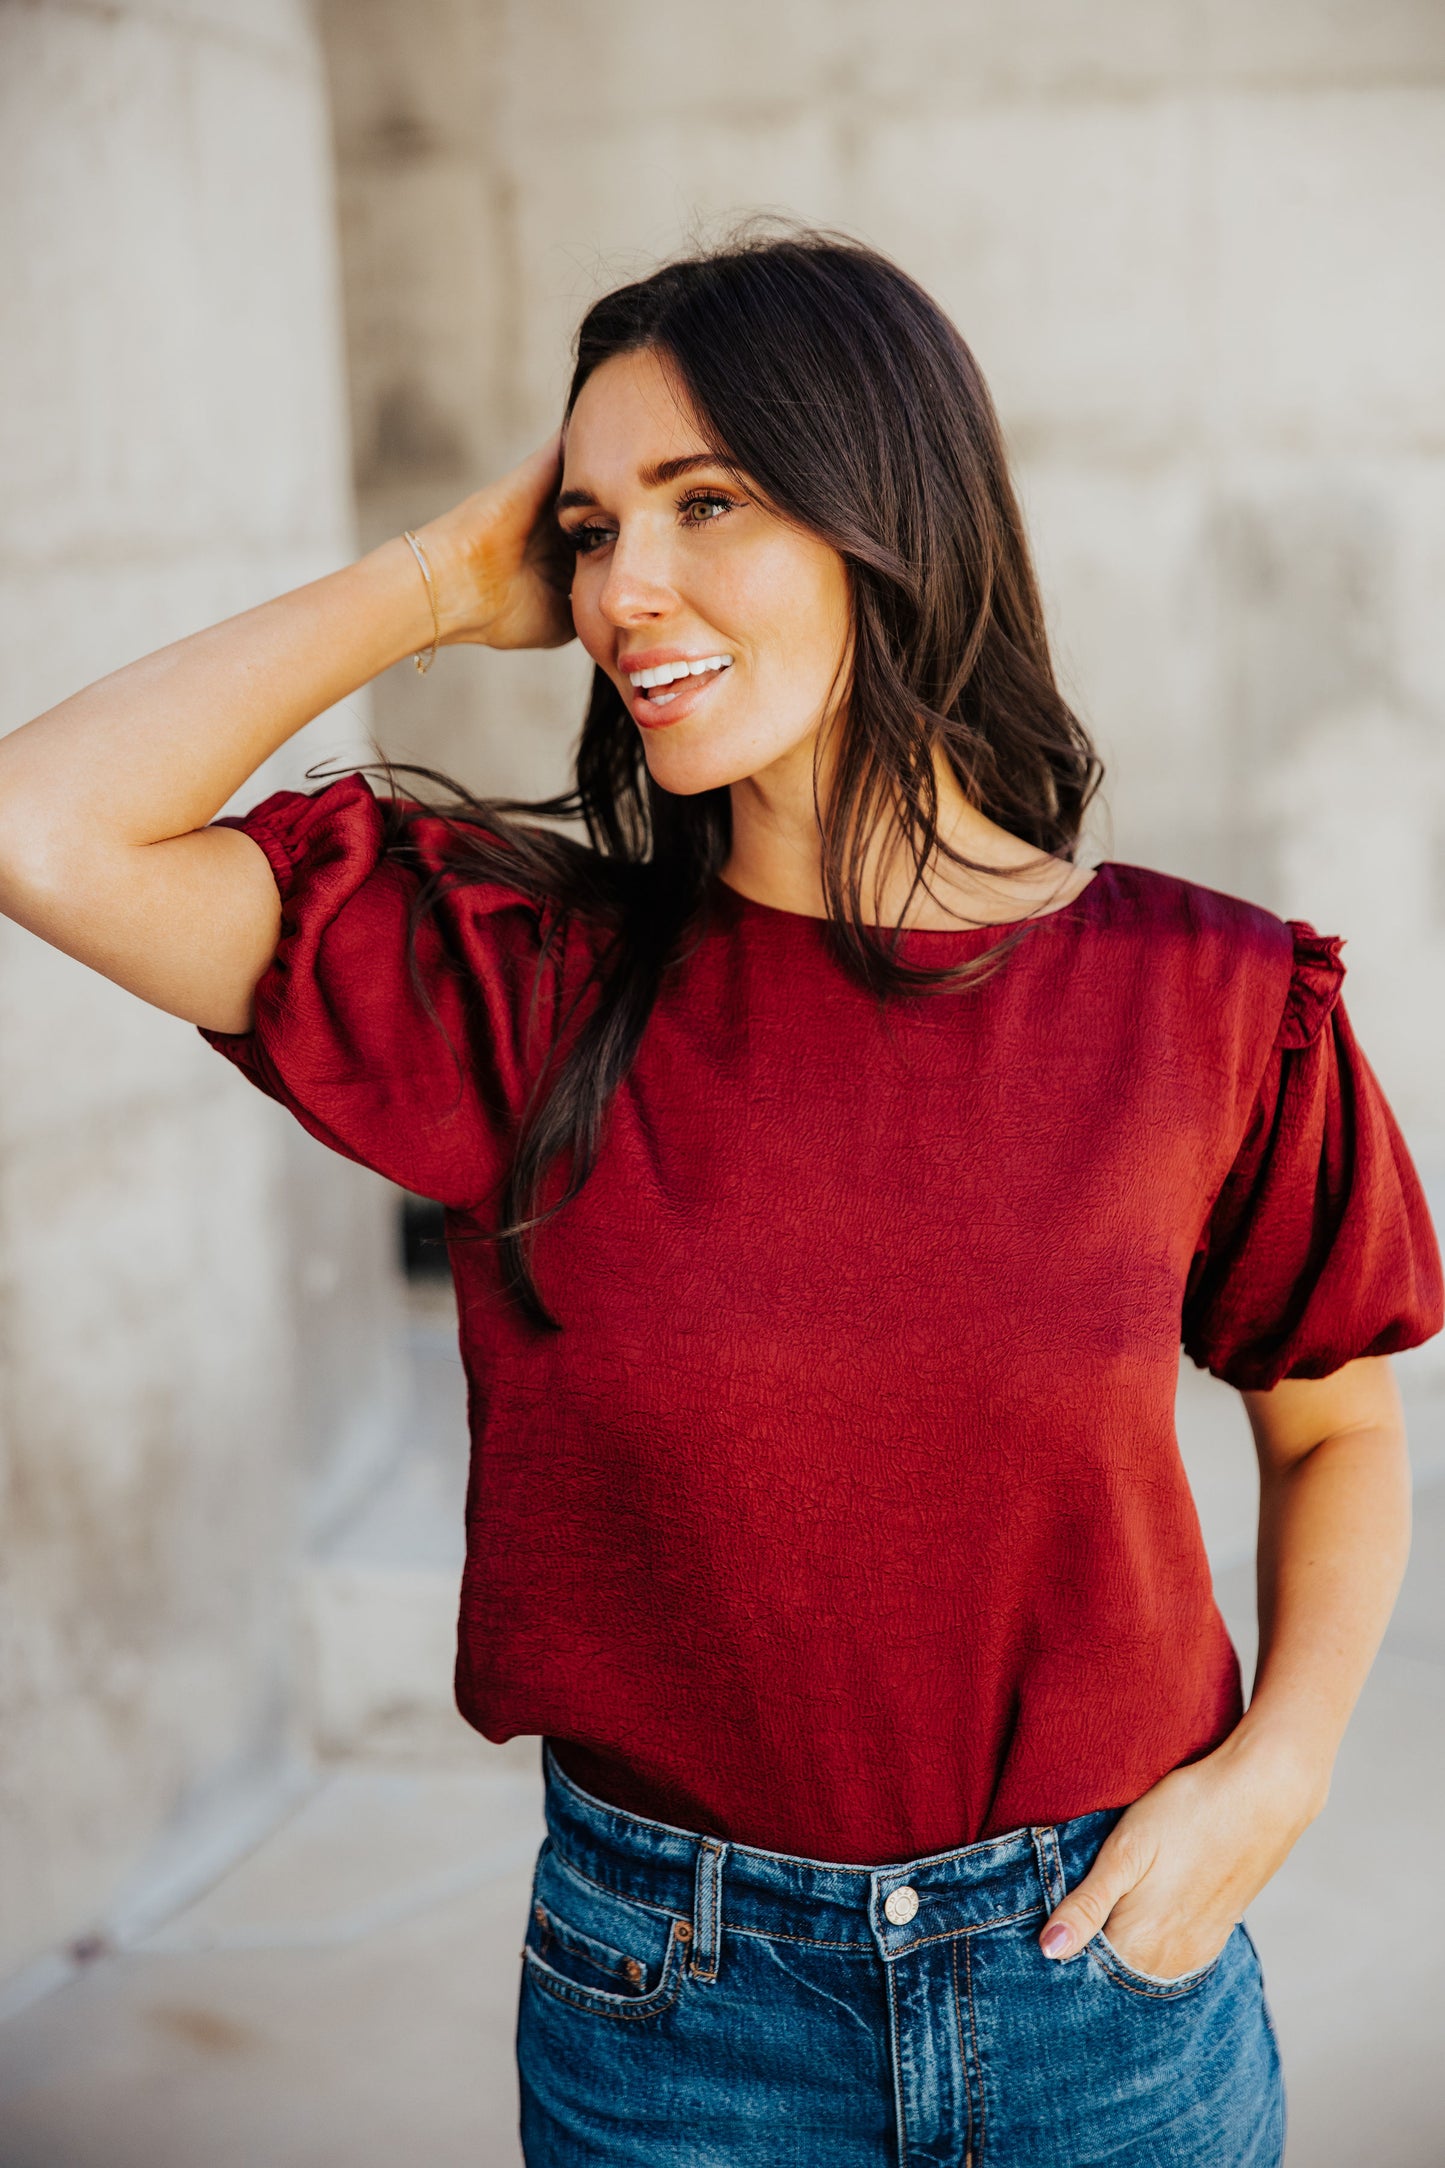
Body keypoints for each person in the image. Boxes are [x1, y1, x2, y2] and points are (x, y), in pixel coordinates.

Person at [0, 231, 1438, 2168]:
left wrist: (1284, 1767)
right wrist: (434, 575)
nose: (619, 588)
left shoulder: (1216, 1001)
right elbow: (46, 825)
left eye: (709, 501)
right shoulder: (520, 988)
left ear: (886, 514)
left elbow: (1336, 1413)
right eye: (588, 527)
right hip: (675, 2018)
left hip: (1110, 1990)